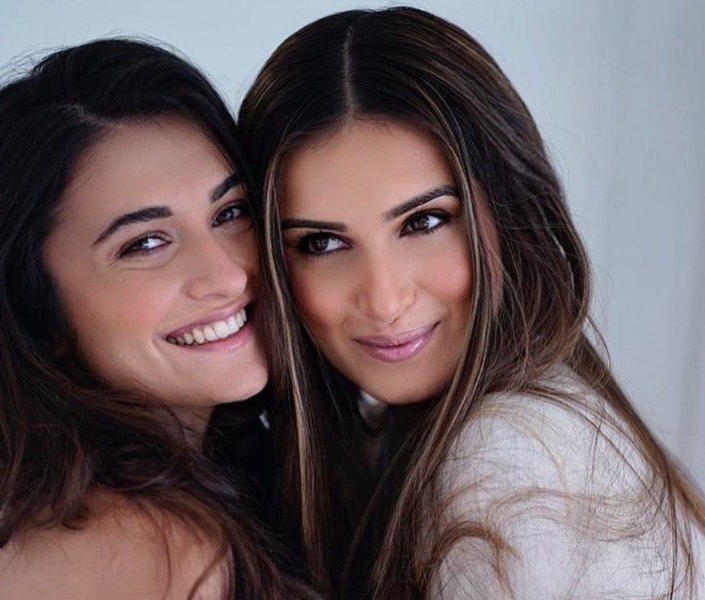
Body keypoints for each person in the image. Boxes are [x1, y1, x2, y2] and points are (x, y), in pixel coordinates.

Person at [239, 7, 705, 599]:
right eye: (322, 243)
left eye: (424, 221)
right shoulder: (403, 435)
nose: (384, 299)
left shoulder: (511, 463)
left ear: (507, 211)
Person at [0, 38, 317, 600]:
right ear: (39, 312)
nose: (227, 275)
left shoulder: (101, 521)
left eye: (231, 212)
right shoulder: (156, 551)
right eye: (146, 243)